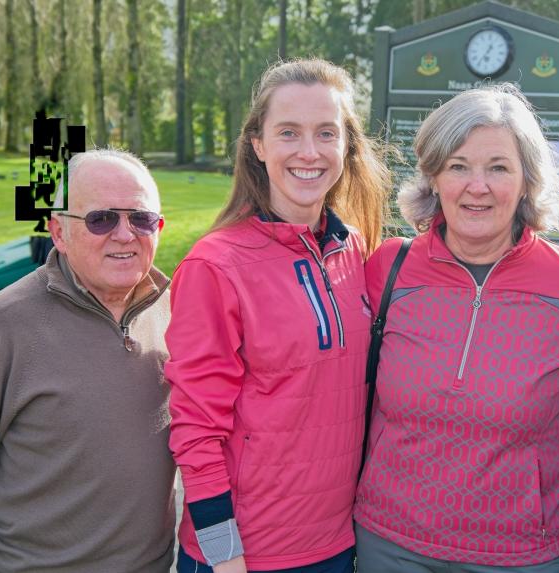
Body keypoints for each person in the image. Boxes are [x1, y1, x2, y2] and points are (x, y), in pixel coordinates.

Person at [353, 84, 559, 572]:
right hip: (389, 543)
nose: (478, 186)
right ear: (433, 177)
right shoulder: (387, 269)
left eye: (498, 167)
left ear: (527, 180)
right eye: (458, 166)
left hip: (522, 553)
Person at [164, 58, 390, 573]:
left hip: (336, 545)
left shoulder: (354, 249)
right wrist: (224, 555)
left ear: (346, 146)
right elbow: (196, 428)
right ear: (258, 145)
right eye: (288, 132)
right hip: (245, 556)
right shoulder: (215, 265)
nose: (309, 152)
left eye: (326, 133)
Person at [0, 149, 175, 572]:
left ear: (158, 227)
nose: (124, 235)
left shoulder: (175, 312)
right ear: (59, 232)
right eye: (101, 219)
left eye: (141, 219)